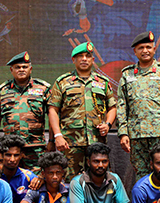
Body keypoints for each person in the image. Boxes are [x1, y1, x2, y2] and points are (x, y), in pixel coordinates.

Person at [117, 31, 160, 181]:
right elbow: (121, 104)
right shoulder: (127, 74)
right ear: (135, 51)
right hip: (136, 136)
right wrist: (123, 132)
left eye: (148, 47)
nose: (145, 50)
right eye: (141, 47)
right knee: (141, 175)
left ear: (154, 49)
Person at [49, 42, 116, 178]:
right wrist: (58, 136)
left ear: (92, 60)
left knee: (99, 180)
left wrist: (108, 124)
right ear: (74, 60)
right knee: (70, 181)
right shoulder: (63, 82)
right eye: (80, 56)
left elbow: (112, 107)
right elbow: (53, 110)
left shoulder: (103, 82)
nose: (84, 59)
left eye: (88, 56)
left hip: (97, 141)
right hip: (70, 144)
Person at [64, 0, 153, 62]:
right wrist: (82, 14)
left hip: (137, 49)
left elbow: (119, 1)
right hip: (112, 52)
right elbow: (86, 27)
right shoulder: (101, 6)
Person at [0, 51, 52, 169]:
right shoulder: (2, 91)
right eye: (17, 67)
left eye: (25, 67)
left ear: (30, 69)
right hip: (10, 149)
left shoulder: (43, 88)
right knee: (10, 181)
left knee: (35, 181)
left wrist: (52, 141)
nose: (21, 69)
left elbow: (52, 115)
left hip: (35, 147)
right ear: (11, 70)